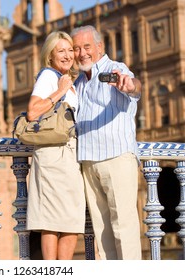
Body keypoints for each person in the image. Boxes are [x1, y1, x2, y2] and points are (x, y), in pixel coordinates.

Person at [70, 25, 142, 260]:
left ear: (100, 47)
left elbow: (134, 87)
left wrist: (130, 86)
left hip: (116, 157)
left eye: (87, 47)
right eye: (77, 48)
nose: (82, 53)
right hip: (88, 163)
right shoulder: (80, 80)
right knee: (102, 231)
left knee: (124, 226)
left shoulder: (116, 69)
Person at [25, 31, 86, 260]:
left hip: (69, 154)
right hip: (54, 154)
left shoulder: (68, 80)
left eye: (70, 50)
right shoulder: (49, 77)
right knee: (52, 220)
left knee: (71, 218)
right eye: (61, 50)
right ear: (50, 55)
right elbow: (32, 112)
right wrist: (60, 91)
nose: (68, 55)